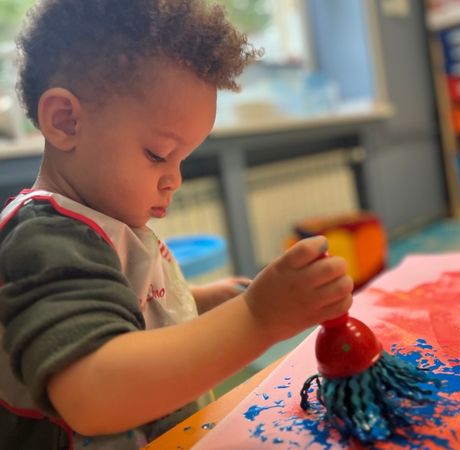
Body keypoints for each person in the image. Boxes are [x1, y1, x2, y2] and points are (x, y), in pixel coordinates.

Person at [0, 1, 354, 449]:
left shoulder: (97, 226)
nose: (175, 179)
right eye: (157, 155)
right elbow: (92, 393)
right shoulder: (46, 238)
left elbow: (120, 310)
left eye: (182, 160)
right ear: (66, 121)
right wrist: (256, 318)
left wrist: (199, 303)